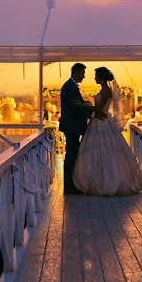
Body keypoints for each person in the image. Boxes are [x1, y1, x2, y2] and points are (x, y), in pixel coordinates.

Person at [72, 67, 142, 196]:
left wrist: (83, 105)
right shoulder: (104, 90)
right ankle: (100, 179)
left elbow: (99, 109)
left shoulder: (106, 91)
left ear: (101, 78)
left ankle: (105, 181)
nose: (94, 78)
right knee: (102, 151)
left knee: (102, 151)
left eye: (96, 76)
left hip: (101, 121)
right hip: (101, 120)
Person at [59, 63, 94, 194]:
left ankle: (72, 183)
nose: (84, 76)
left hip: (74, 126)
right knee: (71, 156)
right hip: (72, 127)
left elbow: (78, 104)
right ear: (76, 72)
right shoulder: (69, 87)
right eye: (83, 73)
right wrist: (92, 113)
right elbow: (75, 107)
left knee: (73, 155)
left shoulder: (71, 86)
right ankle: (69, 186)